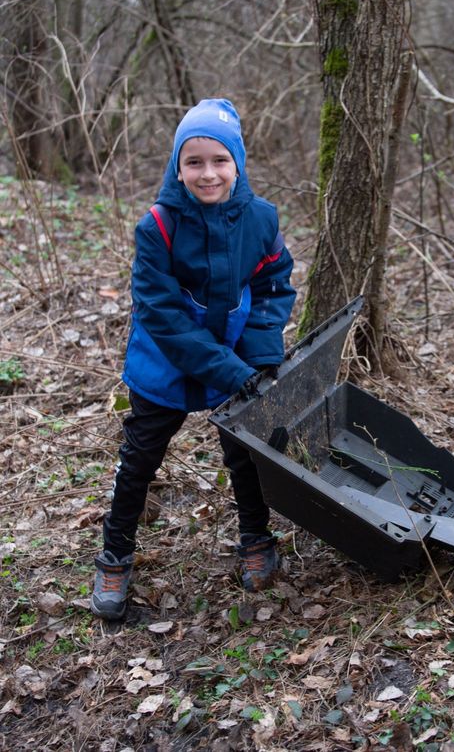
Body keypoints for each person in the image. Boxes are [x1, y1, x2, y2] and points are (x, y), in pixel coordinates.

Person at [91, 98, 296, 620]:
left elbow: (273, 287)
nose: (208, 174)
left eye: (219, 161)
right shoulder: (157, 227)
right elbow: (160, 314)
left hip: (234, 359)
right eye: (194, 162)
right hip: (166, 365)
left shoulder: (261, 219)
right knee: (139, 459)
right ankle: (115, 554)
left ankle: (256, 538)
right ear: (177, 167)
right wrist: (232, 369)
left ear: (238, 162)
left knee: (245, 454)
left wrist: (256, 357)